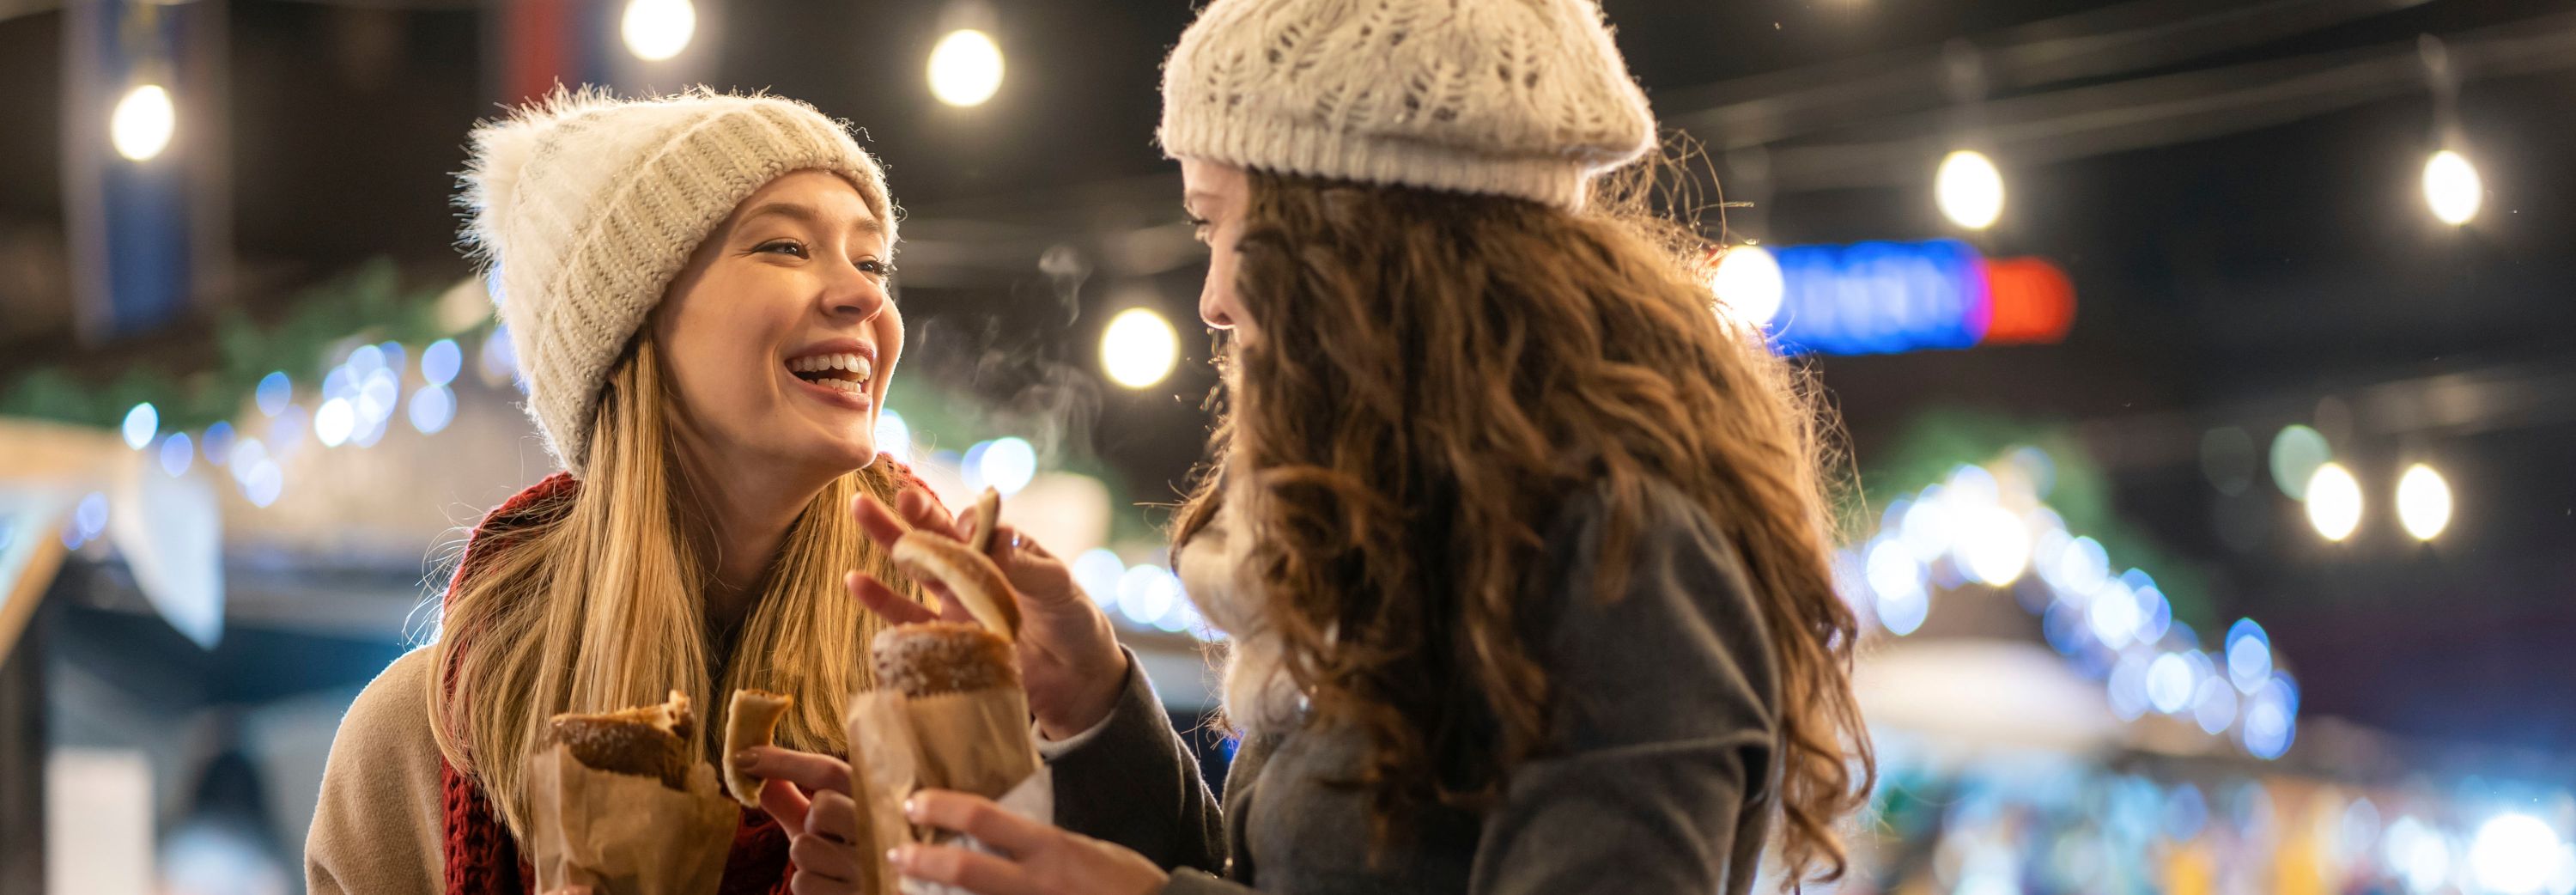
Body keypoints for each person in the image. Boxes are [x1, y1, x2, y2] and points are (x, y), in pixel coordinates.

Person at [762, 1, 1879, 894]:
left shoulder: (1627, 548)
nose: (1211, 298)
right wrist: (1096, 696)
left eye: (1219, 223)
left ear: (1358, 239)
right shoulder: (1415, 537)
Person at [304, 88, 924, 895]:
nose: (867, 296)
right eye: (784, 247)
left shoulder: (951, 704)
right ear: (630, 329)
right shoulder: (422, 740)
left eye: (871, 261)